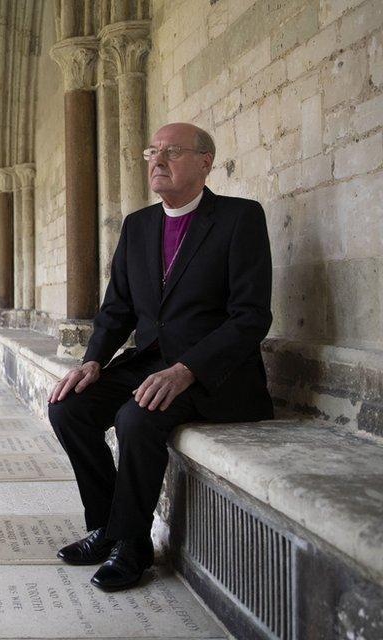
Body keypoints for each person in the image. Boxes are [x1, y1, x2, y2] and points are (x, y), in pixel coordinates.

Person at [47, 122, 274, 592]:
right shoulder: (138, 225)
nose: (157, 160)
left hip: (214, 374)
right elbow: (118, 308)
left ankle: (132, 546)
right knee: (68, 407)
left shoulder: (239, 218)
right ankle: (108, 528)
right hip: (149, 360)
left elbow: (251, 317)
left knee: (136, 418)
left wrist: (188, 368)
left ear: (205, 162)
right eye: (152, 151)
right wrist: (93, 360)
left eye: (171, 152)